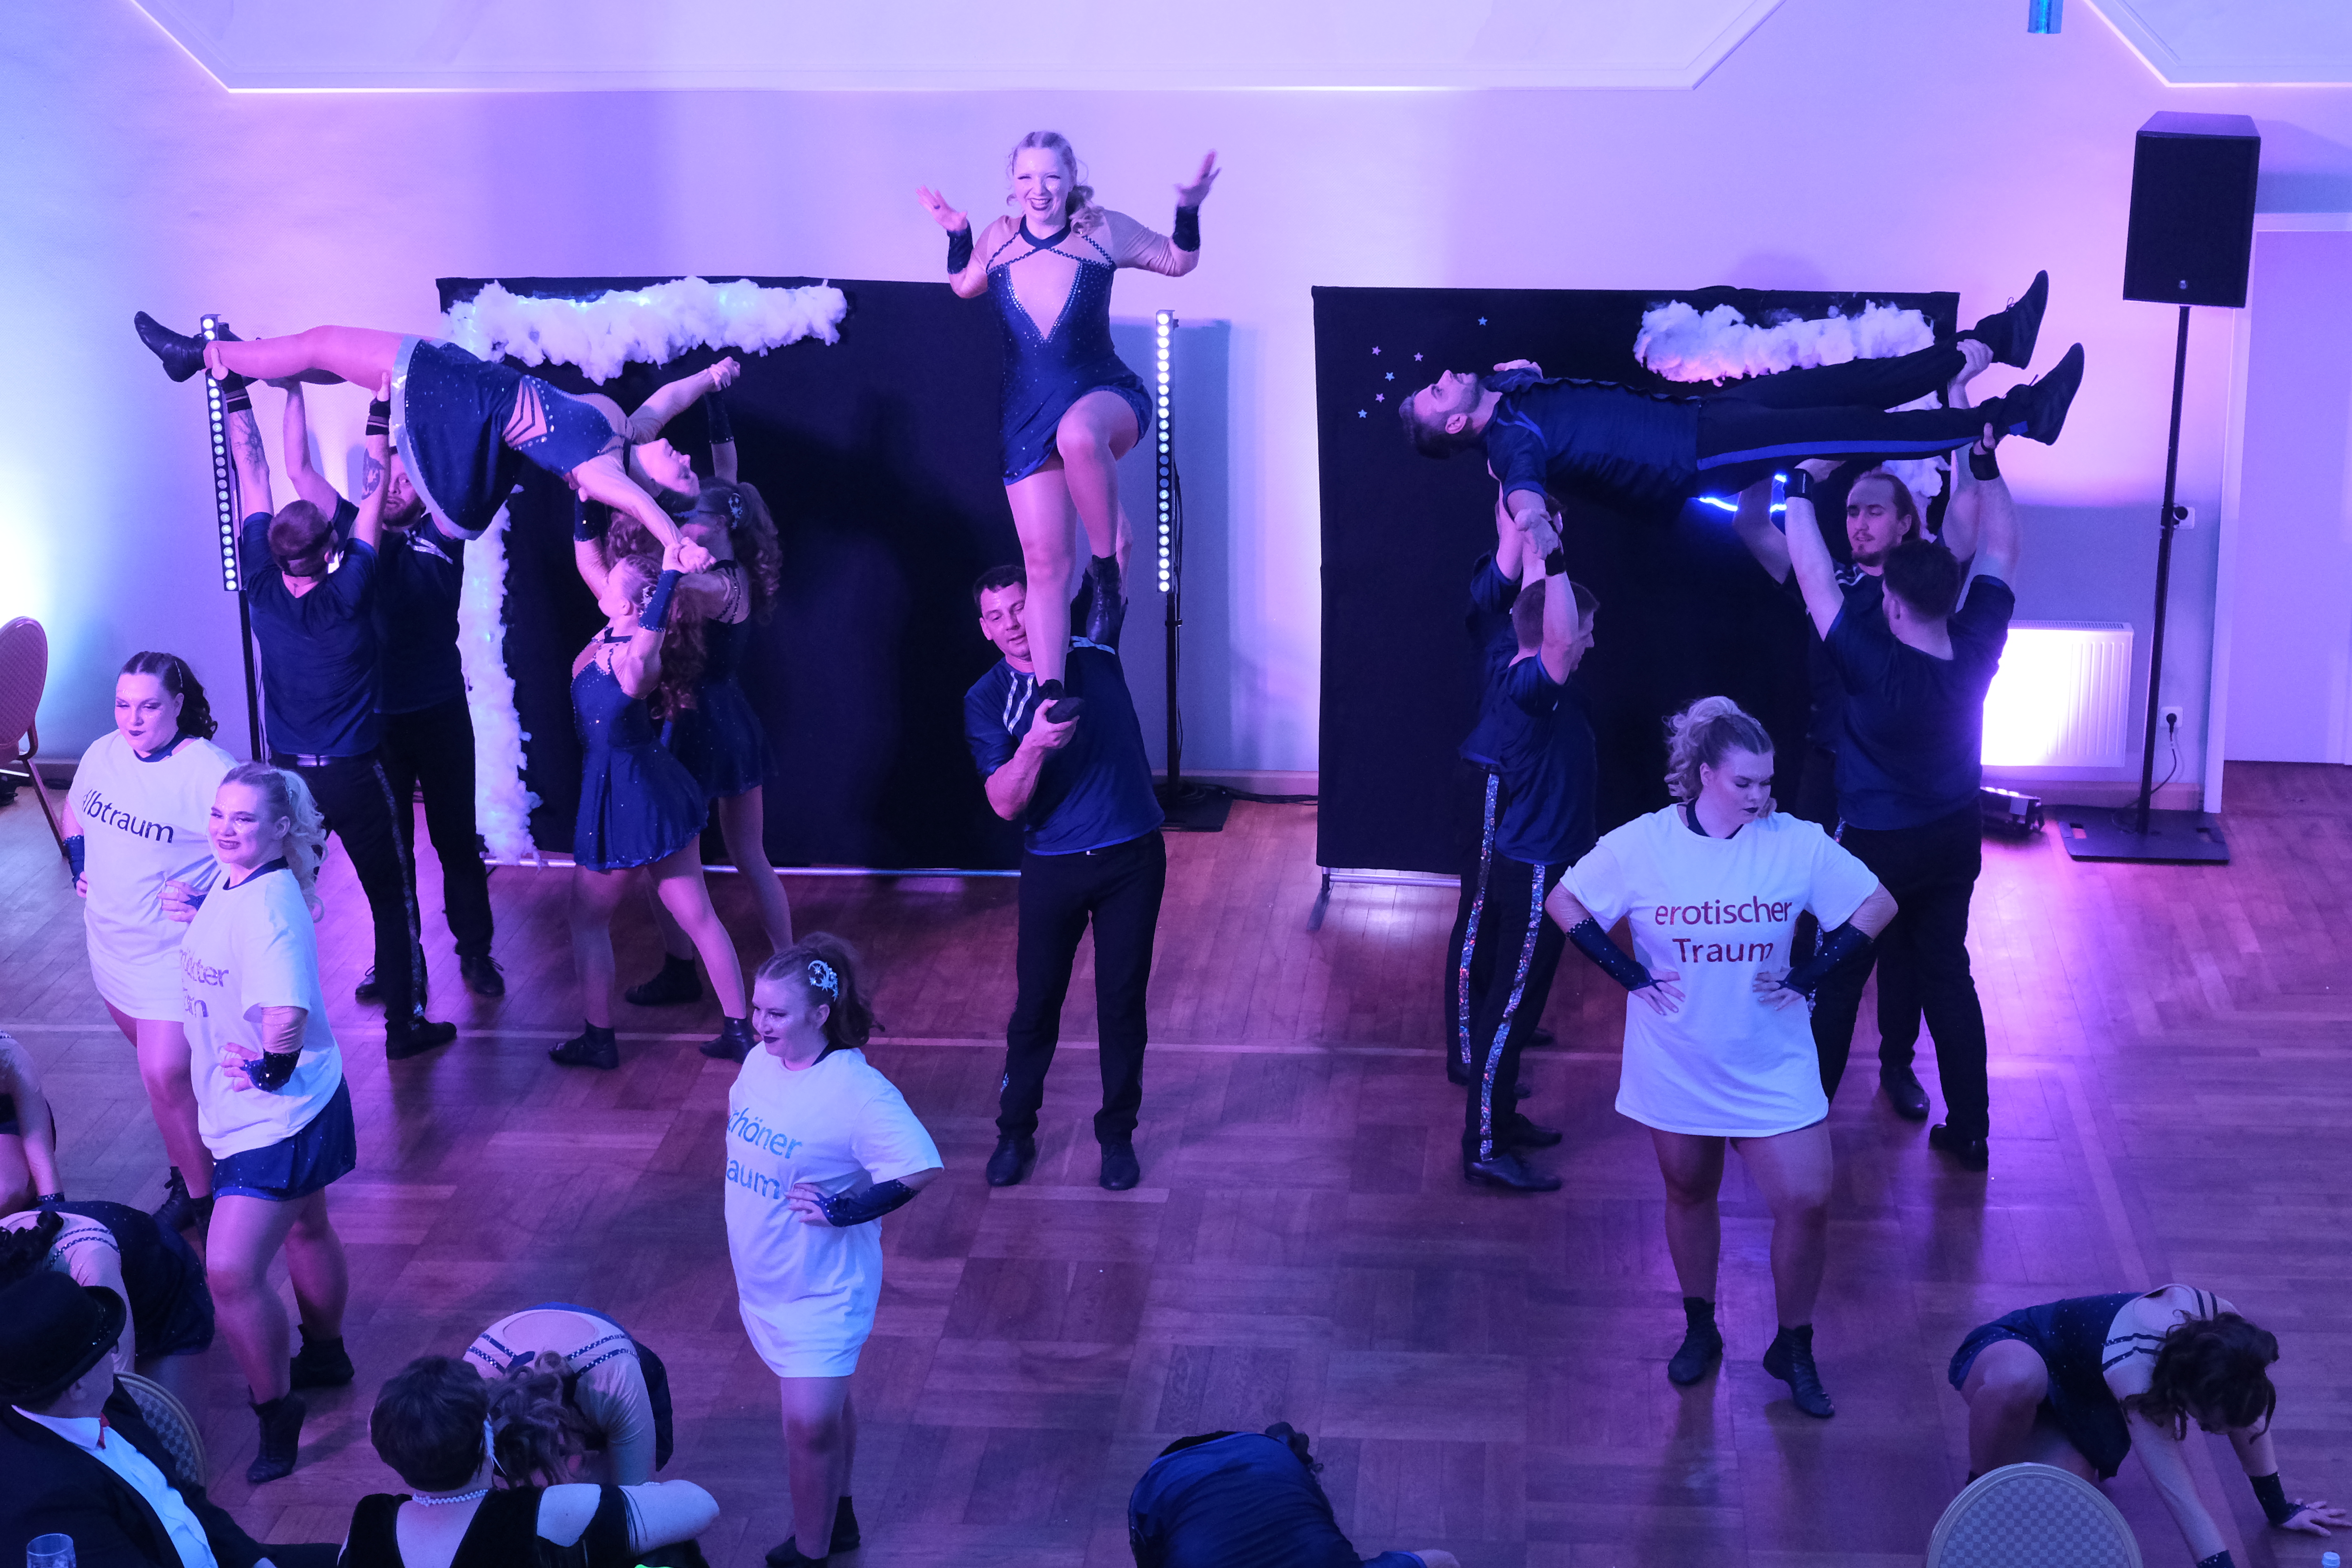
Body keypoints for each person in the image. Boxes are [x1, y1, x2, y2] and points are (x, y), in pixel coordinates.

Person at [1547, 698, 1895, 1418]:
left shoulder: (1794, 843)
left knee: (1807, 1199)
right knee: (1688, 1192)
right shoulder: (1643, 844)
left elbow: (1876, 904)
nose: (1760, 796)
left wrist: (1809, 974)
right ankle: (1701, 1327)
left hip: (1771, 1060)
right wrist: (1630, 976)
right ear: (1705, 775)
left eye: (1767, 782)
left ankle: (1793, 1344)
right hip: (1679, 1058)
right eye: (1745, 783)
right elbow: (1566, 902)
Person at [1783, 427, 2021, 1170]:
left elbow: (1813, 573)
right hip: (1953, 840)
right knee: (1947, 975)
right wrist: (1986, 467)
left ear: (1889, 601)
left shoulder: (1868, 664)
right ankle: (1971, 1131)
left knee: (1839, 983)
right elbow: (2002, 548)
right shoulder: (1976, 645)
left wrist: (1801, 483)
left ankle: (1804, 1131)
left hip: (1877, 850)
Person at [1398, 278, 2074, 533]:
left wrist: (1526, 372)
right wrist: (1531, 519)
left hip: (1702, 418)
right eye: (1437, 392)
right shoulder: (1508, 448)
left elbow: (1538, 387)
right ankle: (2022, 415)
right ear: (1455, 423)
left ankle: (1999, 340)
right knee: (1857, 427)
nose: (1445, 376)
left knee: (1857, 382)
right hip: (1698, 458)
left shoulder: (1507, 391)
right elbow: (1523, 493)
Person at [919, 132, 1218, 697]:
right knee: (1044, 566)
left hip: (1105, 394)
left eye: (1051, 176)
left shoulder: (1102, 231)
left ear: (1071, 178)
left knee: (1079, 434)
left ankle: (1104, 571)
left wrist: (1189, 208)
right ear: (1013, 184)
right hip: (1025, 416)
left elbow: (1178, 261)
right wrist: (958, 233)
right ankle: (1052, 692)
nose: (1039, 189)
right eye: (1027, 177)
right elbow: (963, 285)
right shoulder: (1000, 238)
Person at [214, 376, 457, 1060]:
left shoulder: (260, 587)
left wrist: (238, 390)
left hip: (287, 779)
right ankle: (405, 1027)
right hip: (353, 774)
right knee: (392, 895)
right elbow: (374, 496)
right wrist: (379, 407)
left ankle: (265, 1024)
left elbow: (252, 471)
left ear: (274, 551)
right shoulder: (350, 590)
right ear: (329, 550)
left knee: (274, 899)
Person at [133, 314, 712, 564]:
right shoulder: (626, 432)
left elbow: (641, 508)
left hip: (463, 401)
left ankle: (199, 356)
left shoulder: (604, 476)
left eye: (684, 474)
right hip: (472, 380)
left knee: (325, 344)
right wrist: (712, 376)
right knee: (334, 358)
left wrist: (675, 544)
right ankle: (241, 358)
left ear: (655, 493)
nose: (685, 457)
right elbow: (668, 401)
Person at [277, 385, 502, 1004]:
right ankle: (398, 964)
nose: (397, 489)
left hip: (440, 713)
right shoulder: (354, 528)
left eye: (409, 480)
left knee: (455, 840)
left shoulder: (446, 530)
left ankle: (476, 952)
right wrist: (291, 388)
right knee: (391, 853)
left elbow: (471, 464)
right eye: (391, 479)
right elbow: (299, 470)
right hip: (375, 724)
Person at [725, 938, 942, 1567]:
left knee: (809, 1425)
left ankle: (812, 1552)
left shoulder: (858, 1091)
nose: (761, 1024)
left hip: (824, 1290)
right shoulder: (758, 1064)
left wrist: (844, 1209)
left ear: (820, 1014)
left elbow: (920, 1167)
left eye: (777, 1013)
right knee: (829, 1406)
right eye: (758, 1009)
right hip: (767, 1278)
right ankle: (838, 1517)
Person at [171, 762, 360, 1481]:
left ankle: (275, 1413)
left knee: (228, 1271)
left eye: (244, 819)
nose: (224, 829)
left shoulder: (269, 909)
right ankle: (328, 1354)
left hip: (275, 1119)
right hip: (297, 1101)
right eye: (219, 814)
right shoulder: (240, 881)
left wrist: (268, 1071)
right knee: (308, 1226)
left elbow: (285, 1011)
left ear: (281, 829)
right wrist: (200, 914)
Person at [963, 565, 1166, 1192]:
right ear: (984, 629)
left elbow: (1114, 556)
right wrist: (1034, 745)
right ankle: (1014, 1134)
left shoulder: (1094, 645)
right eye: (996, 616)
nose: (1012, 624)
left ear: (1043, 607)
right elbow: (1004, 803)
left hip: (1132, 859)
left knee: (1122, 1004)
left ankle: (1117, 1137)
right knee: (1036, 1006)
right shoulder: (987, 698)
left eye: (1020, 607)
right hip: (1053, 868)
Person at [1952, 1285, 2348, 1566]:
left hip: (2089, 1403)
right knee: (2018, 1380)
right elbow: (2180, 1494)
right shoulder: (2134, 1372)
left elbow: (2248, 1416)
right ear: (2186, 1391)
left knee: (2058, 1504)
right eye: (2207, 1424)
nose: (2210, 1431)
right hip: (2024, 1346)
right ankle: (1971, 1499)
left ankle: (2034, 1447)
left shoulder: (2230, 1338)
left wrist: (2279, 1508)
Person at [555, 541, 753, 1069]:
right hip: (643, 787)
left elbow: (645, 647)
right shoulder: (610, 632)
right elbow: (589, 563)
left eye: (614, 580)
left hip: (630, 794)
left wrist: (667, 578)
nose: (604, 579)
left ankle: (599, 1040)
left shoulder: (635, 661)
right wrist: (584, 504)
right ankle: (739, 1029)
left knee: (588, 918)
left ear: (628, 603)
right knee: (697, 916)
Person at [604, 479, 799, 1006]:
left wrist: (650, 557)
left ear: (721, 524)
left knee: (729, 856)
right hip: (711, 718)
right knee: (679, 860)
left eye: (691, 517)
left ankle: (788, 966)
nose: (681, 524)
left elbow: (667, 586)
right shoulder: (722, 569)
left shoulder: (721, 584)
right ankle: (681, 967)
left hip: (699, 723)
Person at [61, 652, 237, 1228]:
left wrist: (208, 903)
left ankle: (206, 1205)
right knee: (166, 1087)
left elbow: (262, 858)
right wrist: (79, 859)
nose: (132, 720)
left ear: (178, 705)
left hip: (170, 959)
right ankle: (189, 1171)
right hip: (111, 949)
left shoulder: (209, 772)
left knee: (164, 1074)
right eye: (123, 705)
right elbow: (73, 813)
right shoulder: (103, 752)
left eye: (148, 707)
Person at [0, 1272, 335, 1568]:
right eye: (104, 1346)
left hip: (220, 1556)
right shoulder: (49, 1503)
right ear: (77, 1386)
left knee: (358, 1555)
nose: (114, 1353)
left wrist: (253, 1560)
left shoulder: (102, 1398)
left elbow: (179, 1492)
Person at [1459, 512, 1600, 1193]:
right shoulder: (1530, 688)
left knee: (1523, 1005)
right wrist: (1556, 557)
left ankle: (1503, 1120)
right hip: (1535, 871)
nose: (1591, 641)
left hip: (1550, 866)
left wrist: (1541, 549)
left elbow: (1544, 616)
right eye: (1587, 632)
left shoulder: (1517, 667)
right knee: (1508, 1011)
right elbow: (1561, 633)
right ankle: (1484, 1146)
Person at [340, 1354, 719, 1568]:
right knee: (669, 1555)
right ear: (486, 1437)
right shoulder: (545, 1511)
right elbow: (701, 1506)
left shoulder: (368, 1521)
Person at [1440, 493, 1535, 1101]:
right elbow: (1501, 573)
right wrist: (1515, 519)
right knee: (1479, 911)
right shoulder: (1493, 580)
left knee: (1509, 906)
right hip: (1490, 772)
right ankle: (1466, 1051)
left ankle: (1498, 1015)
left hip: (1527, 774)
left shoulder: (1554, 589)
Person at [1128, 1423, 1462, 1568]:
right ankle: (1285, 1447)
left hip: (1198, 1469)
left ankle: (1288, 1449)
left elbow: (1443, 1560)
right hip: (1174, 1475)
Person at [1, 1200, 215, 1412]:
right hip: (90, 1288)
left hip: (162, 1294)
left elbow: (120, 1389)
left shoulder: (90, 1264)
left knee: (163, 1424)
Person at [465, 1303, 675, 1486]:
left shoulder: (615, 1382)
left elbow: (636, 1500)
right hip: (547, 1338)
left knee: (606, 1495)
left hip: (612, 1368)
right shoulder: (473, 1387)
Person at [0, 1031, 62, 1218]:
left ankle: (26, 1189)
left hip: (12, 1122)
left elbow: (42, 1156)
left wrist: (54, 1212)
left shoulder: (11, 1056)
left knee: (4, 1194)